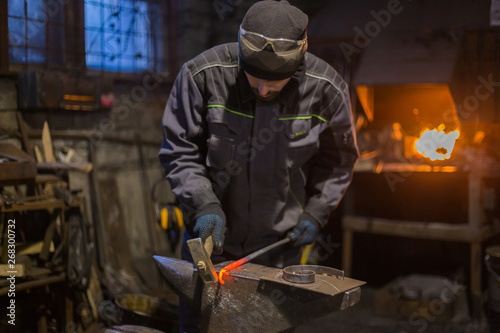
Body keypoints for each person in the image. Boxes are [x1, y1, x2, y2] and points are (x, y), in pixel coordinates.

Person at [159, 1, 358, 331]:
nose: (263, 90)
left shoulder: (326, 89)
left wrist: (316, 210)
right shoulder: (202, 76)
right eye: (254, 81)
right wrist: (203, 203)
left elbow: (339, 161)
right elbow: (179, 151)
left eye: (274, 84)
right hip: (212, 250)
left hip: (279, 257)